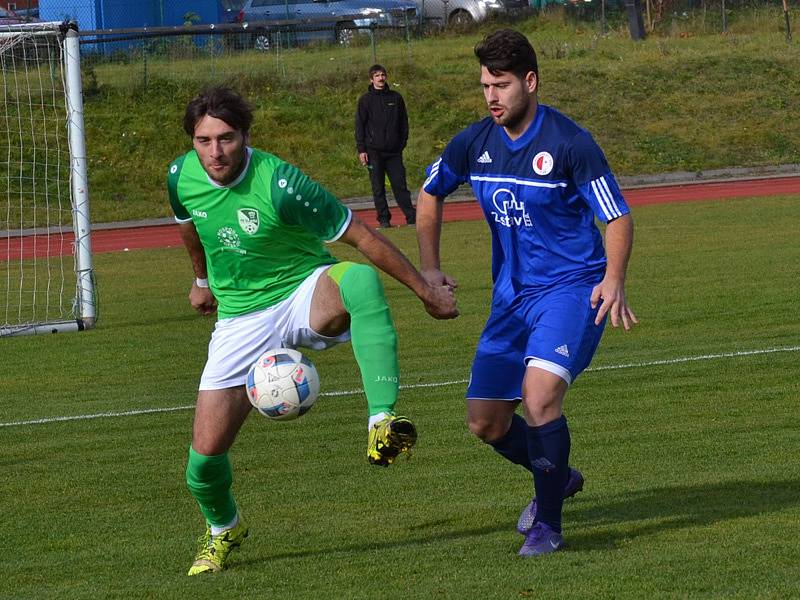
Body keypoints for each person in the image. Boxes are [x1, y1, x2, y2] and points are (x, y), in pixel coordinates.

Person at [167, 86, 458, 576]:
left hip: (302, 291)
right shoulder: (181, 176)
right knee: (202, 465)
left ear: (246, 136)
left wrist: (425, 291)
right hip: (240, 317)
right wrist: (201, 281)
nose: (215, 152)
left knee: (360, 279)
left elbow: (362, 236)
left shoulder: (280, 182)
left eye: (226, 138)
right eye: (203, 140)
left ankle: (381, 422)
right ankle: (224, 530)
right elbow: (189, 227)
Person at [415, 29, 638, 557]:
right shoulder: (474, 143)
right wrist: (429, 268)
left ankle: (549, 527)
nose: (491, 96)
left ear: (531, 82)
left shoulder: (568, 142)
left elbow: (618, 214)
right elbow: (429, 194)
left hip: (571, 291)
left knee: (539, 399)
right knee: (486, 422)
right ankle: (556, 477)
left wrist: (613, 277)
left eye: (502, 84)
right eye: (485, 85)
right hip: (511, 300)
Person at [355, 64, 416, 228]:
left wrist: (401, 143)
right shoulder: (365, 101)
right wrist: (362, 150)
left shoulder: (396, 98)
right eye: (377, 75)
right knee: (378, 187)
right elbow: (359, 126)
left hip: (394, 152)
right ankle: (384, 219)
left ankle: (411, 217)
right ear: (371, 79)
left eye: (382, 75)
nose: (380, 78)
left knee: (400, 185)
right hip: (373, 151)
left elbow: (404, 122)